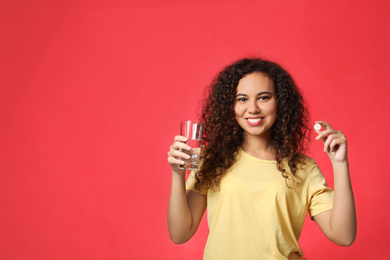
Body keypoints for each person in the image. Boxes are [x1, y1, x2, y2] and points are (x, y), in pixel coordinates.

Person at [167, 58, 356, 259]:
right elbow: (180, 234)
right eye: (242, 99)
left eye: (263, 97)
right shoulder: (211, 160)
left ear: (280, 102)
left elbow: (343, 236)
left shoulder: (302, 168)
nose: (253, 108)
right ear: (230, 105)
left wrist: (340, 163)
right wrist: (178, 174)